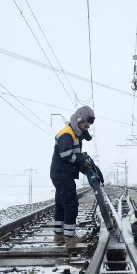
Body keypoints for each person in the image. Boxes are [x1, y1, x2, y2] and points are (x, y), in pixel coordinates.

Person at [50, 105, 95, 248]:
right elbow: (66, 155)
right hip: (62, 174)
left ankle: (59, 236)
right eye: (86, 123)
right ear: (79, 120)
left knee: (61, 204)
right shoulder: (67, 133)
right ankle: (70, 238)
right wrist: (82, 161)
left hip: (61, 173)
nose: (87, 126)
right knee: (71, 204)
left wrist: (82, 166)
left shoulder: (74, 134)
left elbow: (72, 156)